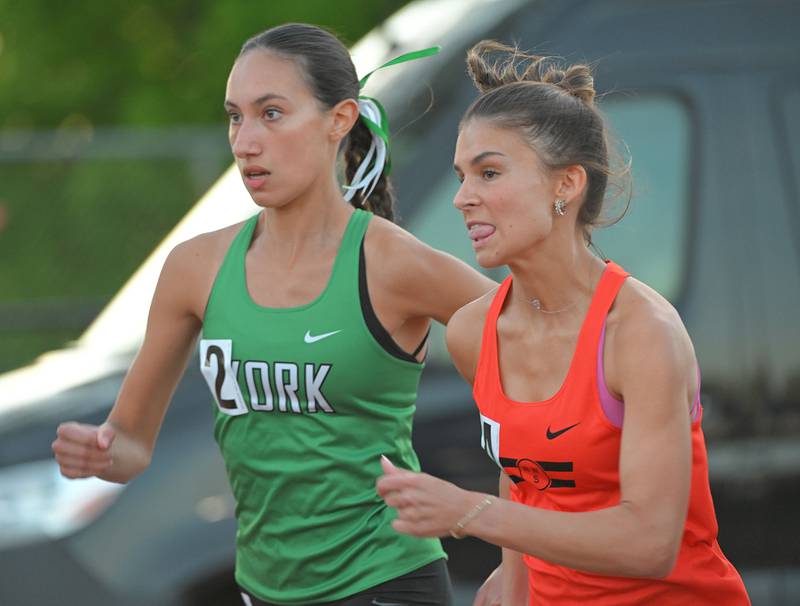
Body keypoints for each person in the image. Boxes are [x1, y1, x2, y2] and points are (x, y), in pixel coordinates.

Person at [51, 23, 498, 606]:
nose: (245, 141)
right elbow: (132, 445)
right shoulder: (195, 267)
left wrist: (504, 537)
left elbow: (540, 366)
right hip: (261, 589)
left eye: (272, 113)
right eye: (236, 116)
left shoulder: (393, 262)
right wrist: (103, 452)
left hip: (387, 580)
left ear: (339, 120)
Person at [376, 40, 752, 605]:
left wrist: (470, 512)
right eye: (462, 176)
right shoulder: (472, 332)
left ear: (565, 185)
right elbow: (525, 476)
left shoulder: (641, 331)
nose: (463, 198)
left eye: (489, 173)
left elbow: (650, 542)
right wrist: (511, 587)